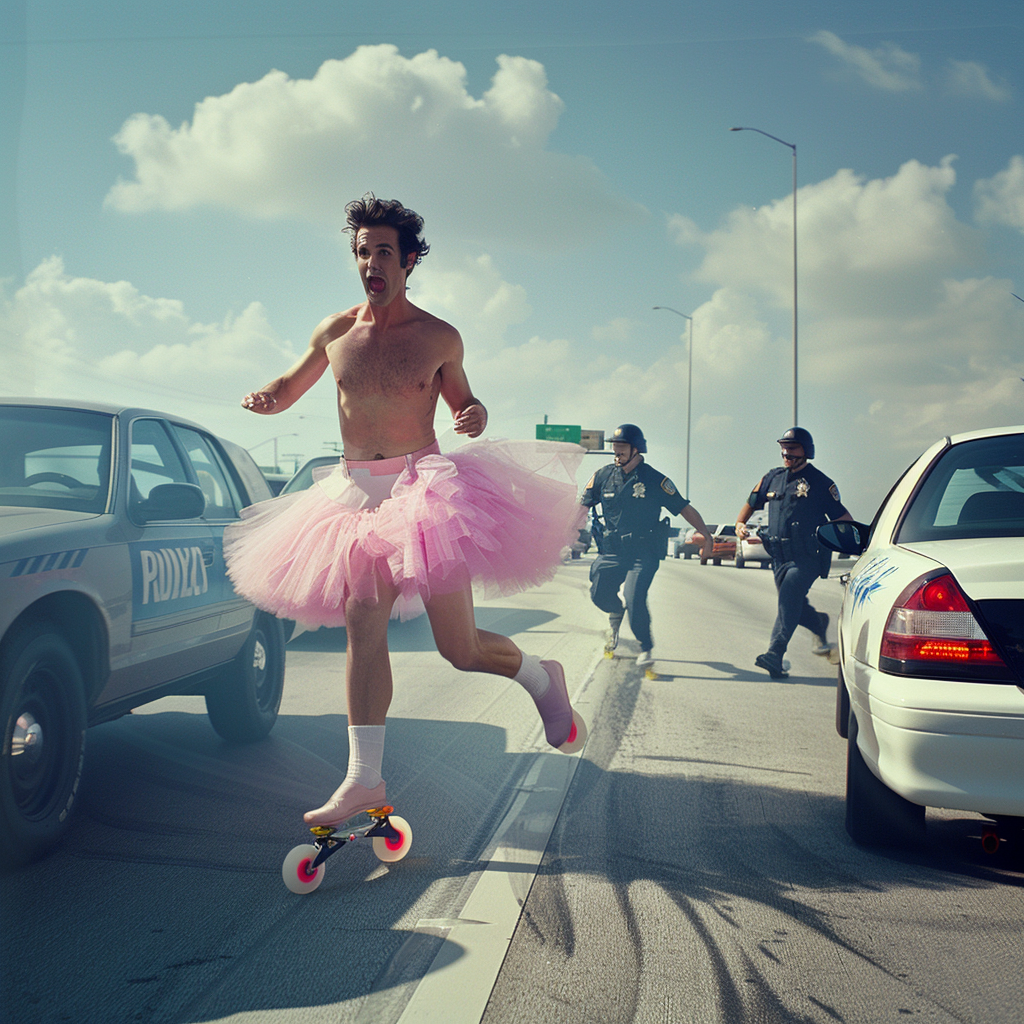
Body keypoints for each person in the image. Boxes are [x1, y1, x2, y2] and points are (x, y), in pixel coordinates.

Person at [224, 195, 587, 828]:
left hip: (424, 495)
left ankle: (541, 678)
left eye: (384, 251)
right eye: (362, 251)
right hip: (353, 495)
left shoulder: (439, 337)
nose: (371, 262)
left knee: (460, 648)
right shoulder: (335, 334)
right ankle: (364, 778)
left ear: (409, 260)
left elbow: (465, 405)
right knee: (364, 619)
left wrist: (472, 415)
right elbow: (288, 388)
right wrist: (266, 399)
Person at [581, 424, 713, 668]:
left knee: (634, 597)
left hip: (643, 551)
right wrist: (565, 531)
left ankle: (645, 647)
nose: (616, 451)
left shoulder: (654, 479)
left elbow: (684, 507)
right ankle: (615, 612)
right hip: (612, 550)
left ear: (635, 449)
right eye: (614, 446)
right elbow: (582, 507)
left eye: (621, 447)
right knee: (598, 594)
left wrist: (705, 534)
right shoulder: (603, 475)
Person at [735, 427, 852, 679]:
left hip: (807, 556)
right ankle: (817, 622)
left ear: (806, 451)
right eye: (784, 448)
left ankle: (775, 654)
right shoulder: (772, 478)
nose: (786, 453)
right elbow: (752, 501)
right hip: (778, 555)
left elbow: (842, 518)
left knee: (789, 595)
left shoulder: (820, 482)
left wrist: (854, 544)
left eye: (792, 448)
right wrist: (739, 523)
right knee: (792, 605)